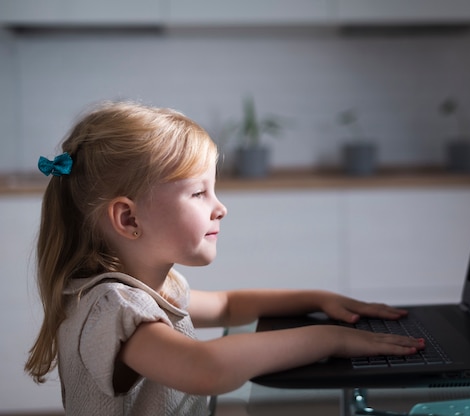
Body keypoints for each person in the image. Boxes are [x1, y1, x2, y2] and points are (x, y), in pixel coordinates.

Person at [24, 100, 424, 415]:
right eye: (199, 194)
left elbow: (229, 305)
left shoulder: (152, 286)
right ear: (128, 218)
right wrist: (330, 339)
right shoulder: (111, 307)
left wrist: (316, 299)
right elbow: (204, 368)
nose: (220, 208)